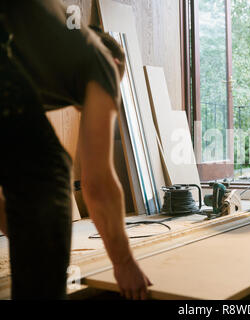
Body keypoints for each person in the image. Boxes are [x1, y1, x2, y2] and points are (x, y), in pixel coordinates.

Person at [0, 1, 151, 299]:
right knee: (50, 171)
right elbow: (98, 184)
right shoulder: (103, 63)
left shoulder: (36, 69)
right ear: (117, 66)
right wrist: (123, 263)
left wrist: (23, 228)